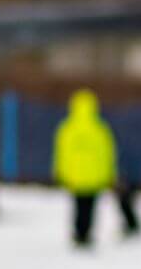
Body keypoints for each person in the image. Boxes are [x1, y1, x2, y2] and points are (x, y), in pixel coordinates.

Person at [52, 89, 125, 247]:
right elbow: (107, 154)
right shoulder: (100, 129)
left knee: (78, 205)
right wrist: (110, 173)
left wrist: (59, 171)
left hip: (75, 175)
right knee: (89, 207)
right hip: (94, 177)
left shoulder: (67, 129)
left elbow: (61, 153)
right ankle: (86, 233)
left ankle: (79, 232)